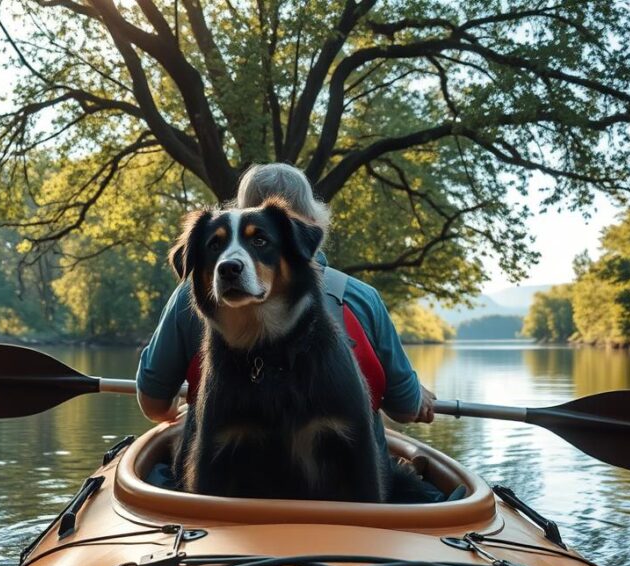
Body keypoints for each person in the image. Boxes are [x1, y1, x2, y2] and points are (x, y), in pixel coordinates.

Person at [136, 163, 436, 454]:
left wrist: (190, 405)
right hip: (346, 495)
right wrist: (418, 393)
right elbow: (406, 408)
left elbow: (154, 405)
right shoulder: (363, 299)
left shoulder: (192, 298)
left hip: (230, 488)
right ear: (313, 221)